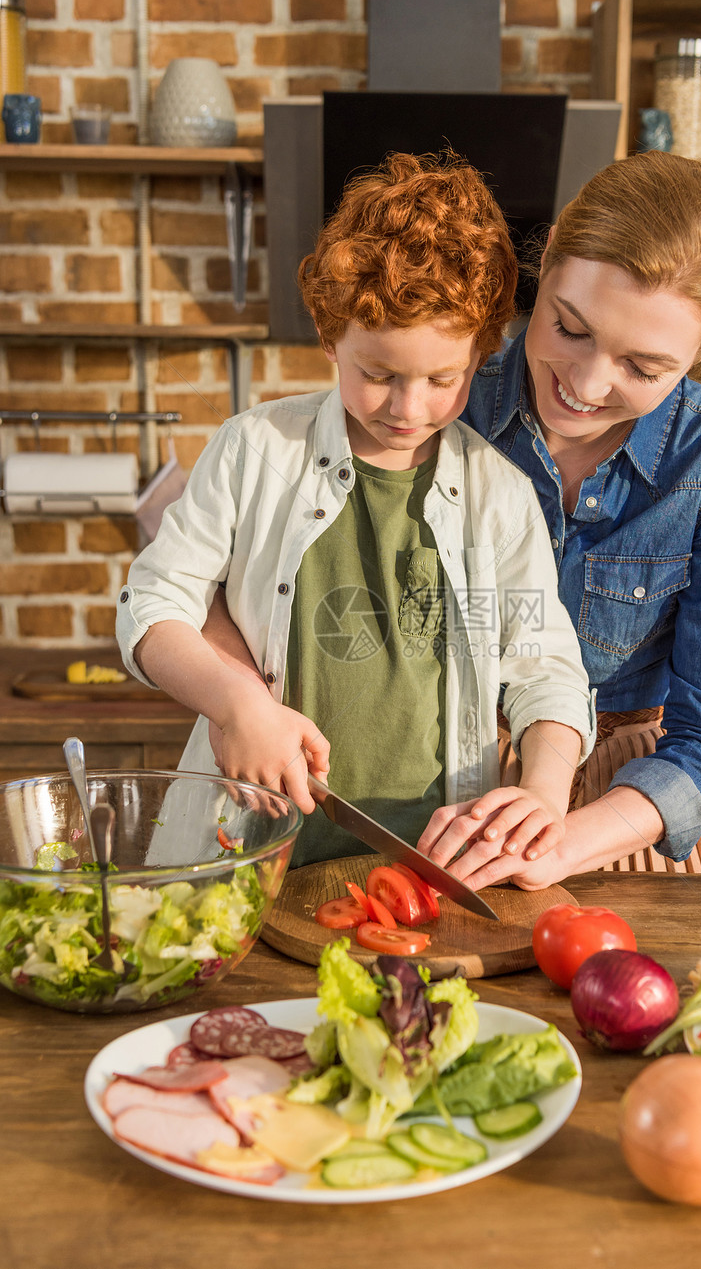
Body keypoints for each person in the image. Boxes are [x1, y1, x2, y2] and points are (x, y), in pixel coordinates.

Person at [115, 152, 596, 870]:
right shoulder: (255, 449)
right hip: (245, 848)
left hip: (433, 859)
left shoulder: (500, 495)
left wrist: (545, 790)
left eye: (443, 379)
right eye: (377, 375)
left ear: (482, 354)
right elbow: (152, 604)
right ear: (330, 334)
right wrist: (237, 705)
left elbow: (544, 667)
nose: (408, 408)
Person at [416, 149, 701, 889]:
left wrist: (558, 840)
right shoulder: (440, 403)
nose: (584, 384)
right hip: (443, 778)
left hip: (625, 810)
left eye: (643, 369)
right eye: (569, 326)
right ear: (546, 259)